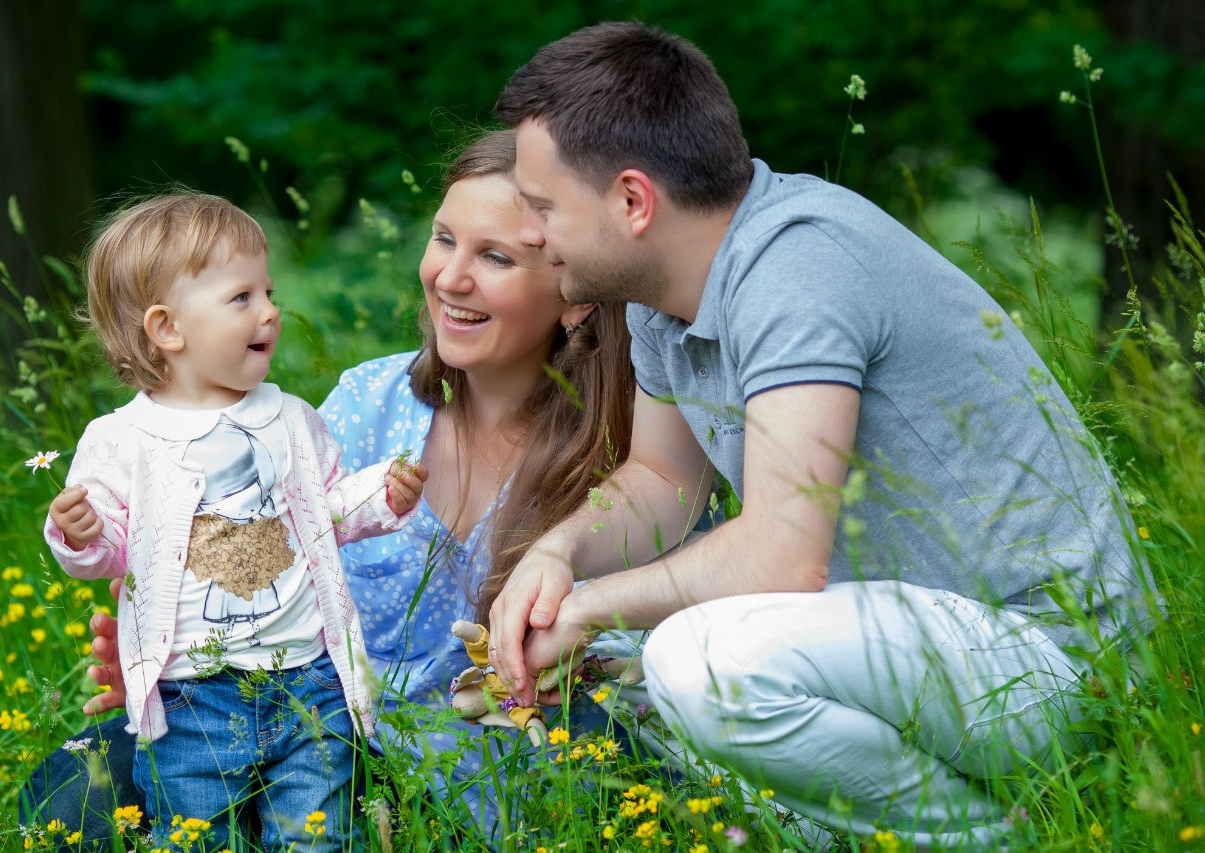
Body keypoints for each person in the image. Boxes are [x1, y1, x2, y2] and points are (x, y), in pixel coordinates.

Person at [485, 21, 1160, 848]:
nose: (528, 232)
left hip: (1054, 657)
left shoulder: (795, 267)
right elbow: (661, 481)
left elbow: (781, 556)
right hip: (919, 649)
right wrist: (556, 558)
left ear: (633, 201)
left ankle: (1006, 836)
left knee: (698, 663)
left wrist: (587, 607)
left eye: (542, 205)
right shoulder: (666, 298)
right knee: (627, 677)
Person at [22, 131, 642, 845]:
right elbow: (262, 553)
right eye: (443, 240)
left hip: (482, 762)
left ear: (575, 292)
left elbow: (632, 658)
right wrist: (185, 649)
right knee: (72, 795)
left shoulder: (618, 462)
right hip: (308, 721)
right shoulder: (366, 401)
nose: (449, 277)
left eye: (496, 256)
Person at [42, 192, 428, 851]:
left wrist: (383, 493)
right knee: (193, 834)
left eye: (269, 290)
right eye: (242, 297)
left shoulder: (291, 417)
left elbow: (324, 510)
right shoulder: (121, 439)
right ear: (167, 328)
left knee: (317, 836)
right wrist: (79, 532)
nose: (271, 311)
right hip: (194, 694)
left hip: (309, 680)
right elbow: (110, 548)